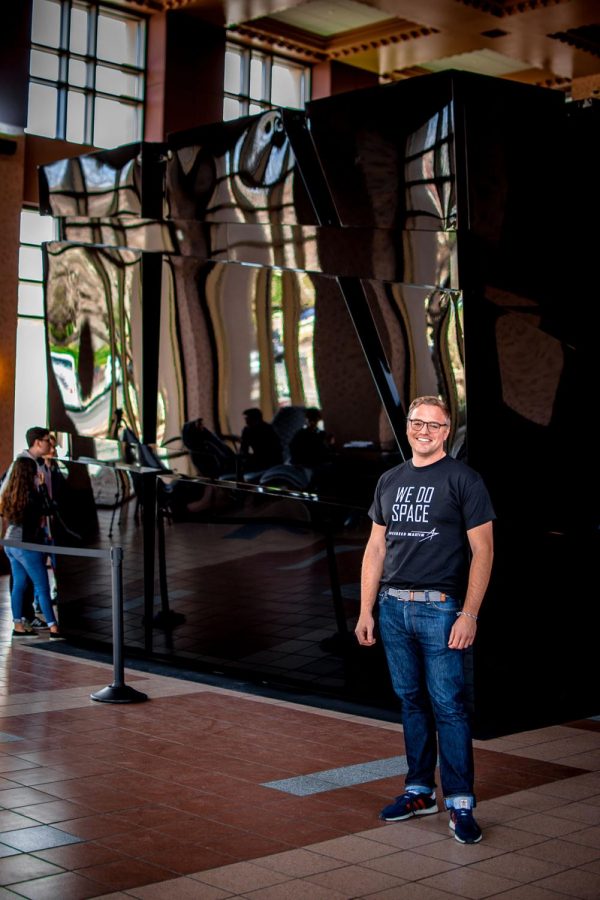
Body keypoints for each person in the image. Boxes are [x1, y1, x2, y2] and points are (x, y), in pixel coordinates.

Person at [355, 395, 494, 844]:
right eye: (417, 423)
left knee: (449, 706)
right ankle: (419, 791)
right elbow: (375, 549)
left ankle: (459, 802)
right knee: (411, 702)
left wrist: (469, 613)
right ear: (409, 426)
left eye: (434, 425)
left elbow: (484, 552)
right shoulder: (390, 480)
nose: (424, 431)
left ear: (446, 431)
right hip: (393, 608)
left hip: (440, 609)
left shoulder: (464, 480)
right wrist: (365, 609)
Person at [0, 457, 62, 638]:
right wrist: (43, 488)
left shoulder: (10, 493)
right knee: (42, 586)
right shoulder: (32, 495)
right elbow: (50, 509)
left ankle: (18, 626)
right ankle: (54, 628)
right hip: (27, 545)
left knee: (18, 585)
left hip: (10, 543)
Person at [240, 408, 282, 474]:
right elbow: (243, 448)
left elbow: (277, 449)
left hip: (270, 460)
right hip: (258, 459)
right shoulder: (247, 430)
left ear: (255, 418)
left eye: (247, 418)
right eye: (245, 419)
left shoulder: (268, 430)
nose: (246, 421)